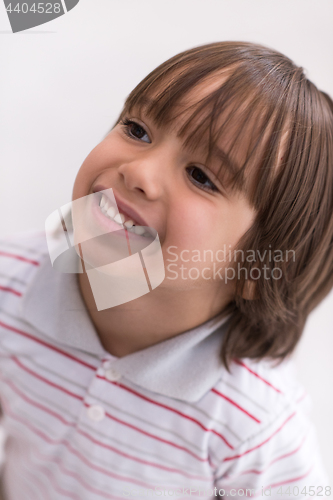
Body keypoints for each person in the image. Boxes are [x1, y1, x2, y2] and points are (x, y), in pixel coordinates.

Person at [0, 41, 332, 499]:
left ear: (259, 267)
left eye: (201, 176)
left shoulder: (253, 422)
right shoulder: (9, 283)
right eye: (136, 129)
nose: (139, 171)